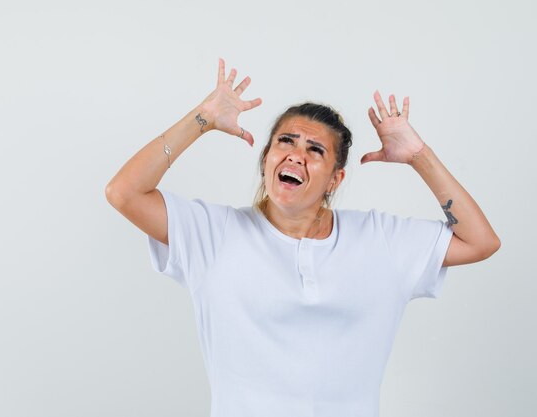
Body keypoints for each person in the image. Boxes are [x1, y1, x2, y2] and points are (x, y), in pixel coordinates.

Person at [105, 58, 500, 417]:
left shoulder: (379, 240)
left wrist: (418, 156)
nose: (296, 155)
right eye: (286, 142)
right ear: (266, 160)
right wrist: (203, 118)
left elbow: (480, 241)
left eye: (315, 150)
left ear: (335, 179)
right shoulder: (214, 233)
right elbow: (123, 192)